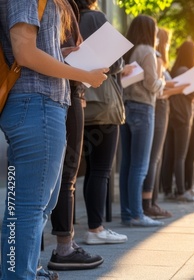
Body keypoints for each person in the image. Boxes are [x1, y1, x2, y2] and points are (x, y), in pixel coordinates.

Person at [0, 0, 108, 278]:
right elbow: (24, 53)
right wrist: (83, 74)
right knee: (28, 206)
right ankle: (17, 274)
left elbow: (34, 49)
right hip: (36, 103)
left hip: (42, 105)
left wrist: (64, 54)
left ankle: (21, 270)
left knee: (34, 204)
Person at [48, 0, 104, 271]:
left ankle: (61, 246)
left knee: (66, 173)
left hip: (73, 91)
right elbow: (42, 51)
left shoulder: (67, 5)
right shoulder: (53, 5)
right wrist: (70, 56)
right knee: (63, 174)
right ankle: (62, 248)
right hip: (59, 91)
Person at [74, 0, 130, 244]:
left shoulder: (68, 18)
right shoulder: (95, 19)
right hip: (103, 105)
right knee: (101, 170)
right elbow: (115, 63)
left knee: (82, 172)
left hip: (78, 104)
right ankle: (95, 229)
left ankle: (85, 229)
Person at [120, 14, 166, 226]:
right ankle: (138, 214)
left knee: (128, 165)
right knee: (140, 166)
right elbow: (150, 83)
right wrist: (162, 82)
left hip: (127, 107)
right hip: (143, 108)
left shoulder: (129, 50)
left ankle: (128, 214)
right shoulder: (147, 51)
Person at [142, 27, 187, 218]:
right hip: (159, 108)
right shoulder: (158, 58)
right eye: (168, 41)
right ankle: (148, 203)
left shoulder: (158, 58)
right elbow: (159, 91)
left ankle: (150, 202)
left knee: (154, 157)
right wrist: (178, 89)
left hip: (158, 108)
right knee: (154, 158)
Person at [161, 40, 194, 201]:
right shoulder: (189, 72)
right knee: (181, 155)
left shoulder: (175, 70)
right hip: (184, 116)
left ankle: (167, 190)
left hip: (172, 115)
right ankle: (181, 191)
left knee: (169, 154)